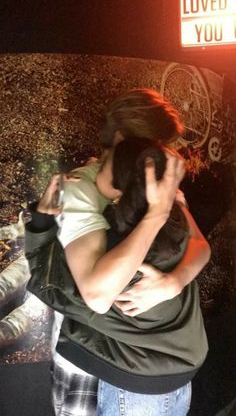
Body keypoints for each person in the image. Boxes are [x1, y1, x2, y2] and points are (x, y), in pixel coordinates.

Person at [25, 89, 210, 416]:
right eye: (154, 146)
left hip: (146, 364)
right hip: (107, 359)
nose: (161, 156)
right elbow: (96, 294)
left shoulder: (153, 178)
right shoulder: (84, 188)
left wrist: (175, 282)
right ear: (126, 141)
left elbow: (200, 245)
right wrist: (157, 215)